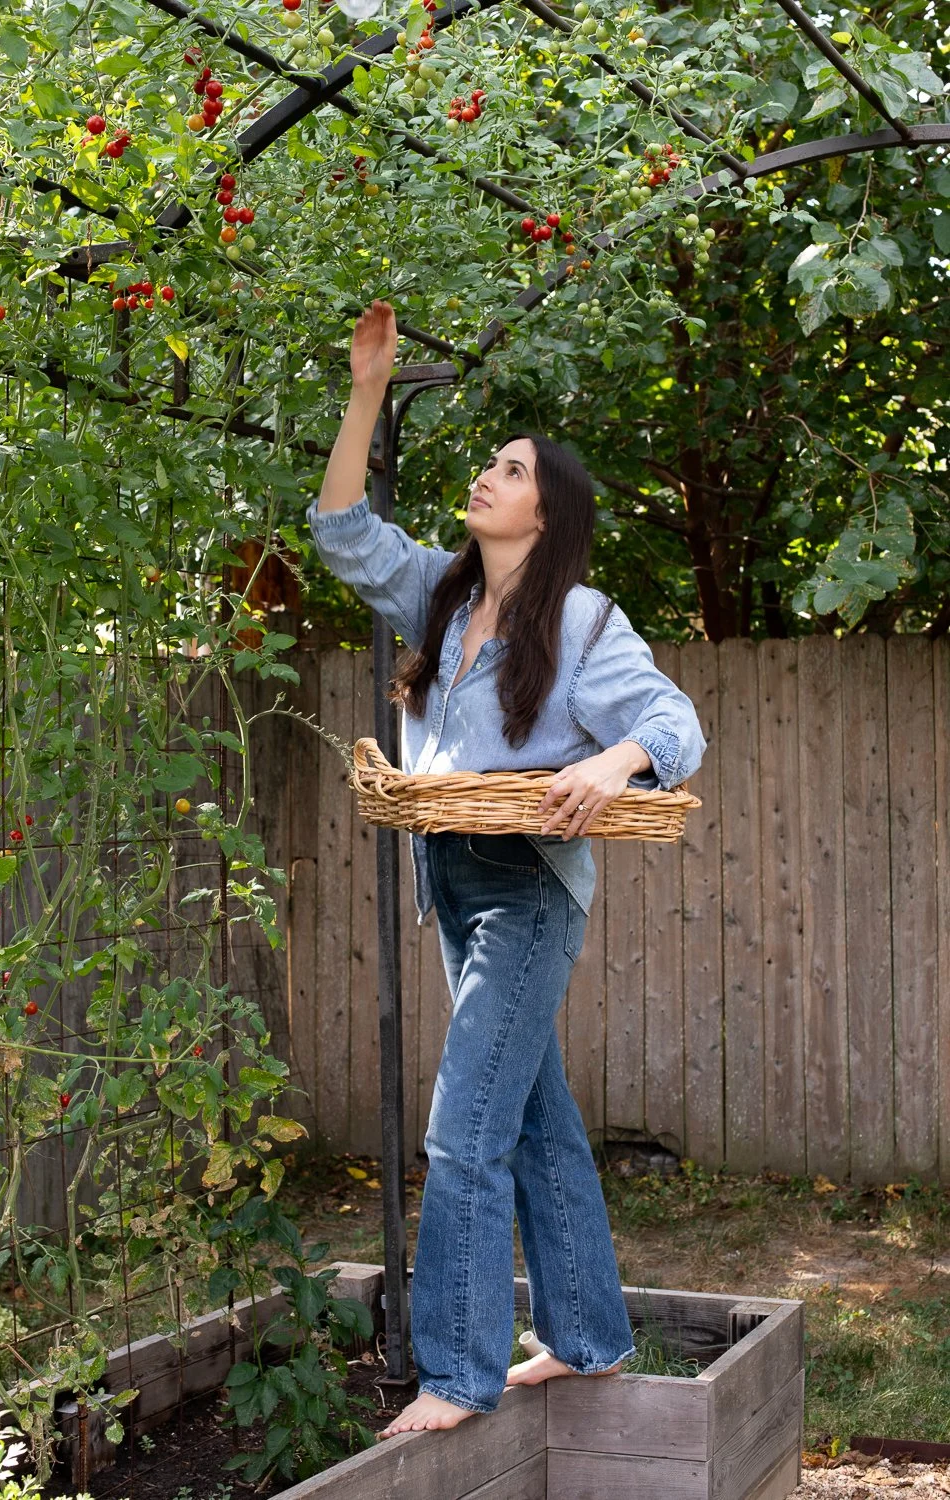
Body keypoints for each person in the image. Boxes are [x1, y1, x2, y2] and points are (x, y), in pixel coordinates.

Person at [305, 299, 707, 1438]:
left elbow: (675, 725)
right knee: (531, 1121)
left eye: (510, 467)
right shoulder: (439, 593)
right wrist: (368, 389)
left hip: (527, 885)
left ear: (549, 509)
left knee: (461, 1129)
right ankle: (585, 1342)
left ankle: (458, 1376)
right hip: (451, 880)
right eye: (488, 462)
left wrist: (615, 762)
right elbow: (340, 527)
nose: (486, 475)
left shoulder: (581, 621)